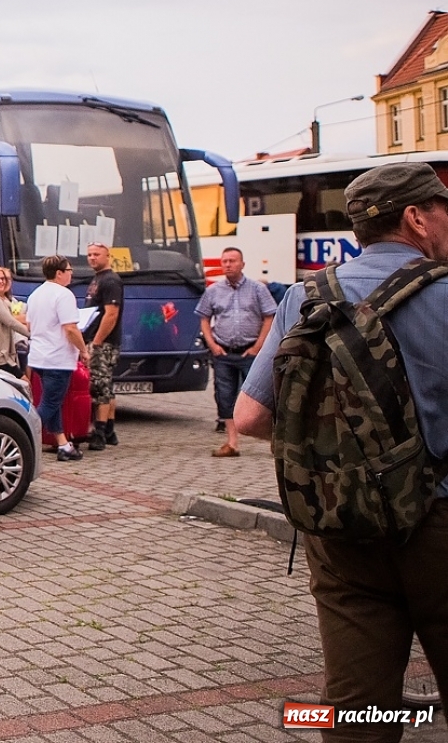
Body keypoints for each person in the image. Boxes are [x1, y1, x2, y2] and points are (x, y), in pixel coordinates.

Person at [235, 163, 448, 739]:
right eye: (444, 208)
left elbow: (250, 418)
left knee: (356, 709)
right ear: (416, 218)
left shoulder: (304, 298)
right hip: (438, 523)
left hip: (339, 520)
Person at [195, 245, 276, 458]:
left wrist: (259, 346)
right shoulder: (213, 291)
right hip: (223, 353)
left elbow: (270, 316)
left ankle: (273, 441)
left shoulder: (257, 289)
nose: (228, 265)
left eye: (232, 261)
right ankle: (232, 443)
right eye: (224, 261)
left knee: (262, 397)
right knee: (225, 397)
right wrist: (212, 344)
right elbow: (203, 317)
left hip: (250, 353)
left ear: (242, 264)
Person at [25, 254, 87, 461]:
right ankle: (20, 436)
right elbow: (70, 328)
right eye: (69, 270)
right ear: (59, 273)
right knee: (50, 404)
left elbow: (29, 326)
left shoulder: (35, 294)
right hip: (57, 358)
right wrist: (84, 351)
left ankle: (63, 445)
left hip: (39, 357)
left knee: (53, 401)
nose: (71, 274)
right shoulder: (64, 295)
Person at [83, 242, 124, 451]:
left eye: (96, 254)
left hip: (103, 343)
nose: (92, 258)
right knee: (106, 385)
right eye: (89, 254)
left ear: (107, 256)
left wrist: (97, 342)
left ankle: (99, 433)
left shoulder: (110, 280)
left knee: (99, 386)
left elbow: (111, 314)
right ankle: (109, 430)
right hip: (94, 339)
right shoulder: (97, 278)